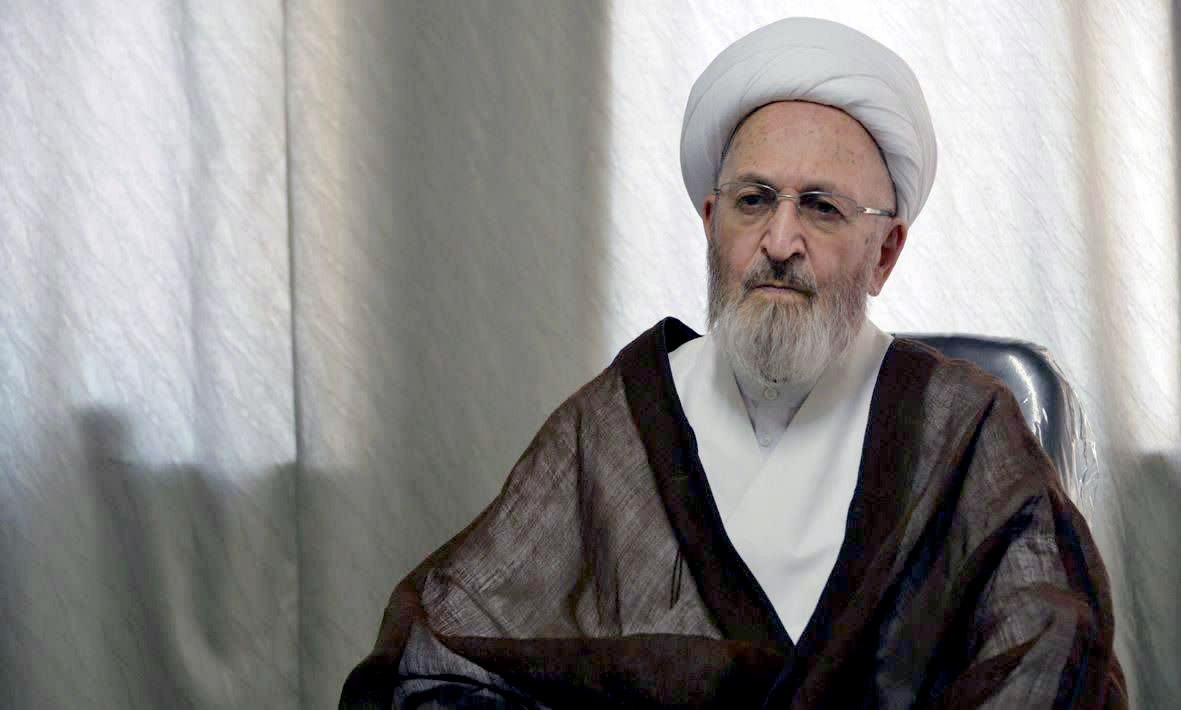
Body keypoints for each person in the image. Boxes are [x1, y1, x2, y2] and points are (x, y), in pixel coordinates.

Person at [341, 18, 1125, 708]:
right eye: (753, 200)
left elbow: (1049, 655)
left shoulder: (960, 424)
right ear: (711, 222)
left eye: (821, 207)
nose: (779, 242)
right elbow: (449, 651)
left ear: (884, 253)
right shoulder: (621, 417)